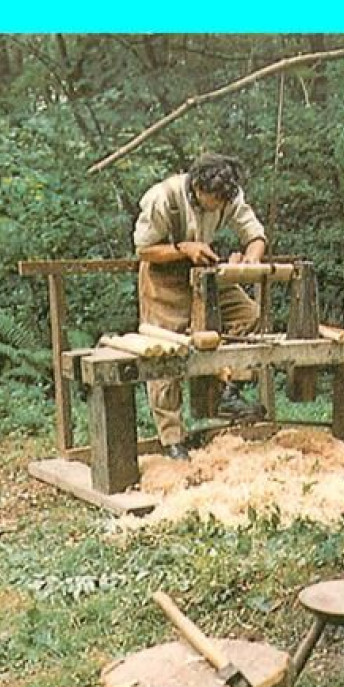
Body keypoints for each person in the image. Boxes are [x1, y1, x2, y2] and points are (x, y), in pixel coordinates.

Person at [132, 152, 267, 459]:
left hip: (204, 277)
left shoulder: (228, 194)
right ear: (196, 186)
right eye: (213, 199)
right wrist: (184, 248)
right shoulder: (163, 198)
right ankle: (172, 440)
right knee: (163, 357)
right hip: (164, 280)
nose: (219, 206)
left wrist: (252, 258)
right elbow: (144, 250)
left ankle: (225, 389)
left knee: (250, 316)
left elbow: (255, 233)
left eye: (224, 200)